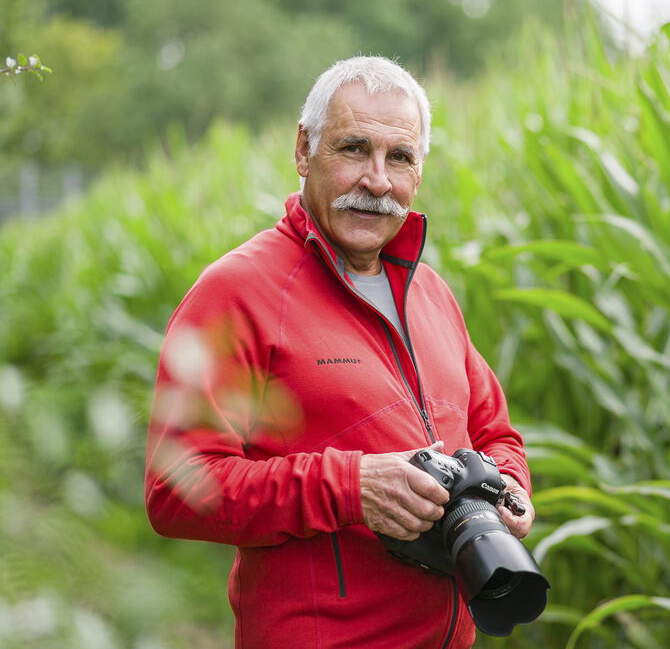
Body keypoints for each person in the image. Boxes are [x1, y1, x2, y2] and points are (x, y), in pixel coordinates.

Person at [144, 56, 535, 649]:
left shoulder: (431, 294)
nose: (377, 181)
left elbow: (495, 432)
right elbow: (176, 489)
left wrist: (508, 487)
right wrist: (351, 487)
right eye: (354, 148)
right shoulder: (236, 293)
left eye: (399, 157)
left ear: (419, 170)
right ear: (304, 150)